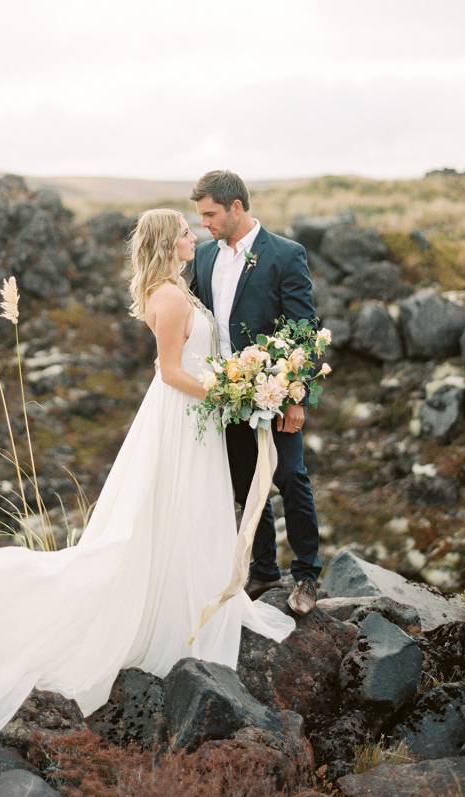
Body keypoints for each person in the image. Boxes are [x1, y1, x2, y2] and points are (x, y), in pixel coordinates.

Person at [0, 208, 296, 746]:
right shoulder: (166, 297)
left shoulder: (179, 289)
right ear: (168, 242)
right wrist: (229, 394)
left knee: (191, 513)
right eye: (186, 231)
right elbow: (169, 372)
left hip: (195, 423)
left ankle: (194, 596)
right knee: (164, 513)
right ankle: (165, 611)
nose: (194, 236)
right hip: (181, 420)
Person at [189, 170, 323, 615]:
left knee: (290, 478)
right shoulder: (205, 257)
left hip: (274, 390)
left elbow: (303, 328)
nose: (204, 223)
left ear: (236, 208)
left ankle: (307, 575)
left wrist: (296, 396)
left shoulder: (285, 255)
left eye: (210, 214)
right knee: (247, 485)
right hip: (226, 394)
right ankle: (264, 571)